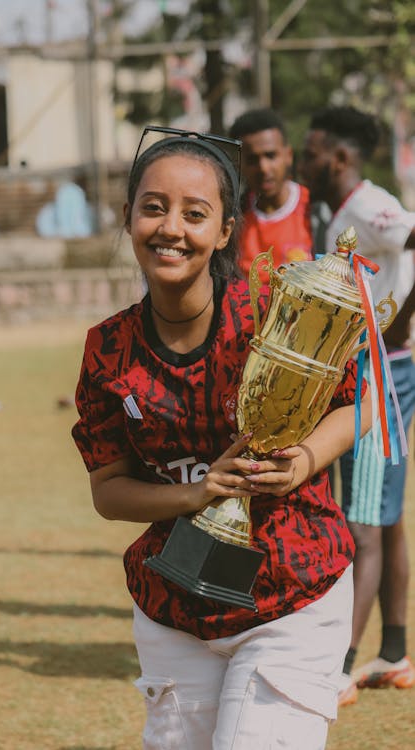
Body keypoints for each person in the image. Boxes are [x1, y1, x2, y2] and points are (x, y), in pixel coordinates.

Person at [72, 126, 371, 749]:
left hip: (294, 592)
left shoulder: (273, 309)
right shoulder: (108, 350)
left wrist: (306, 458)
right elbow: (108, 490)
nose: (171, 228)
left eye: (194, 213)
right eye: (153, 207)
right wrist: (195, 494)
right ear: (128, 217)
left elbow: (357, 403)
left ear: (226, 231)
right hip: (174, 607)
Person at [299, 105, 415, 708]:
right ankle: (393, 651)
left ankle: (336, 667)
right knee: (386, 516)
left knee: (361, 520)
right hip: (377, 365)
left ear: (338, 159)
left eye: (311, 151)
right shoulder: (343, 213)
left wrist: (400, 323)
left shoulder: (369, 206)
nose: (303, 160)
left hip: (381, 373)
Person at [228, 107, 314, 278]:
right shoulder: (231, 220)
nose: (263, 168)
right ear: (239, 165)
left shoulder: (317, 213)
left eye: (271, 156)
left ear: (288, 155)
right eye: (252, 160)